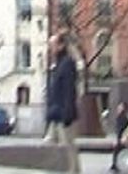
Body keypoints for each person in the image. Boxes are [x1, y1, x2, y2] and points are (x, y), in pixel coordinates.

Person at [45, 32, 80, 173]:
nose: (50, 48)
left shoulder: (67, 64)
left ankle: (74, 172)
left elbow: (69, 91)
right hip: (56, 114)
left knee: (68, 148)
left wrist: (67, 114)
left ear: (60, 46)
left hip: (64, 115)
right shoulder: (59, 64)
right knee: (56, 147)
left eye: (52, 45)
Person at [110, 101, 128, 171]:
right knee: (118, 149)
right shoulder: (127, 115)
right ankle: (115, 165)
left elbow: (123, 128)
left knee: (118, 149)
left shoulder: (123, 116)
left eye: (120, 107)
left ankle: (115, 165)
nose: (118, 109)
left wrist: (122, 138)